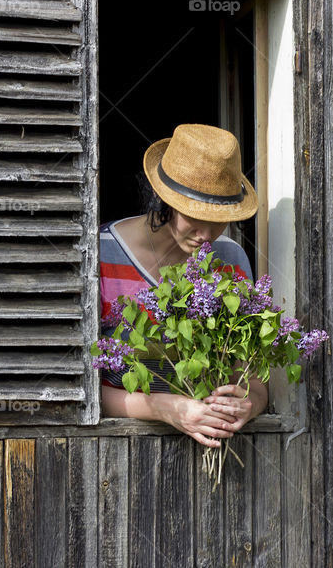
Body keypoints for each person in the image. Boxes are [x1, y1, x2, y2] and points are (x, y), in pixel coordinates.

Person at [99, 123, 268, 448]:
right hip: (117, 457)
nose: (206, 234)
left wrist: (249, 404)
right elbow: (81, 392)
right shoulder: (100, 255)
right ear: (164, 199)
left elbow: (251, 376)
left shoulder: (230, 260)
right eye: (194, 215)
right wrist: (167, 409)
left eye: (218, 218)